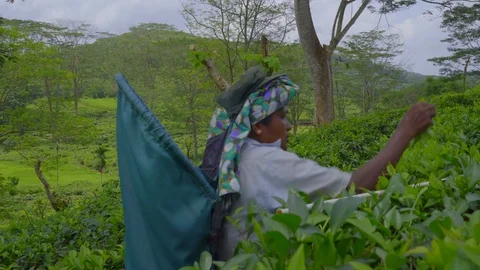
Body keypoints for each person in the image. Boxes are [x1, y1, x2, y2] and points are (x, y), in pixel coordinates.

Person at [209, 73, 436, 261]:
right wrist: (405, 131)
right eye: (282, 117)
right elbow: (356, 188)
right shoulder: (266, 161)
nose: (288, 126)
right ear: (258, 127)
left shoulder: (234, 156)